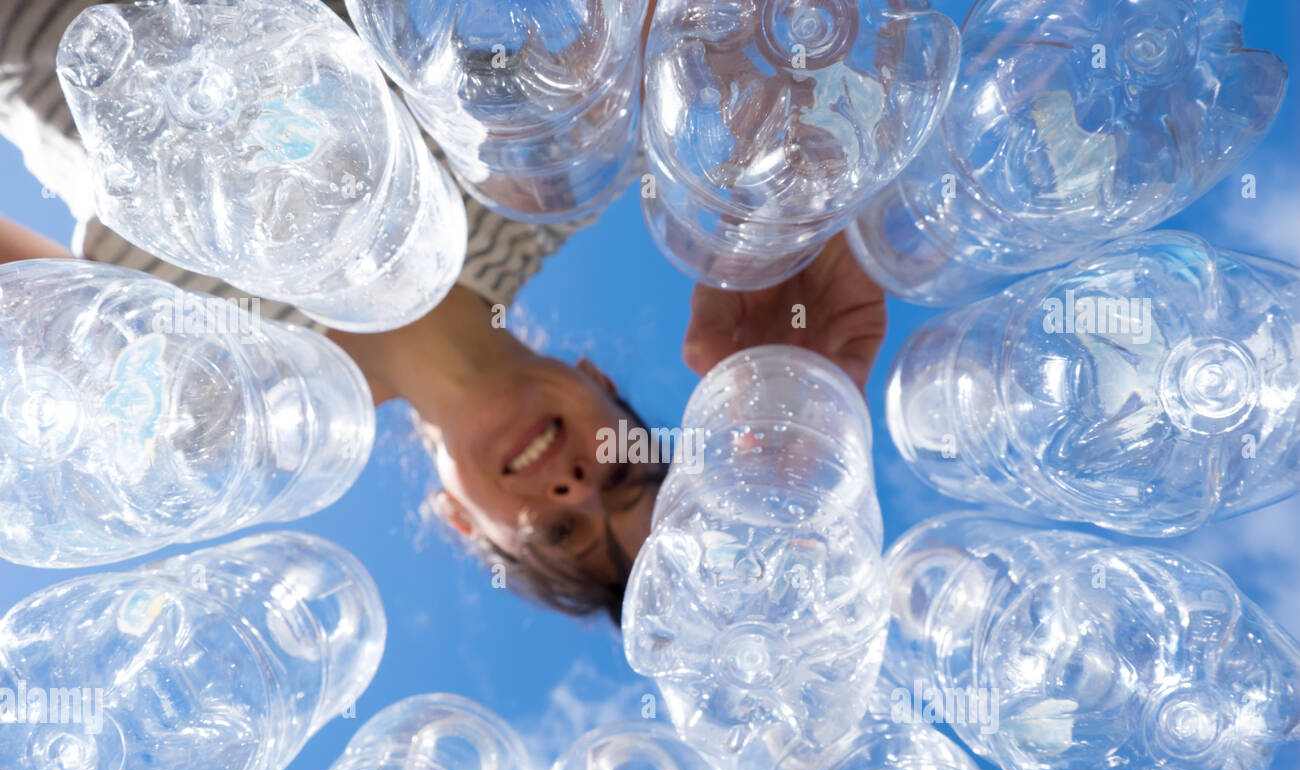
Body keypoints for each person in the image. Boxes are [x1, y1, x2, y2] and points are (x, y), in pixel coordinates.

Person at [0, 0, 887, 626]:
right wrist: (784, 177)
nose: (574, 485)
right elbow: (716, 25)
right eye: (621, 476)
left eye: (560, 530)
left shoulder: (224, 403)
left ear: (464, 525)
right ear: (601, 384)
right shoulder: (554, 174)